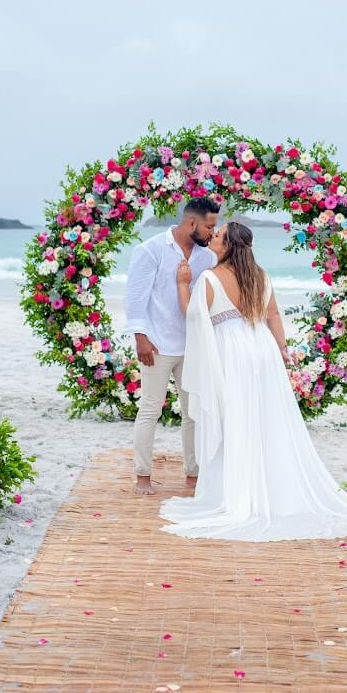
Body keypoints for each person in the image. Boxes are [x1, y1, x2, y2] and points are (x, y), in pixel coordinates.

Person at [159, 221, 347, 540]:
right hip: (262, 348)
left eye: (217, 235)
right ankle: (272, 488)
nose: (212, 237)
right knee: (266, 417)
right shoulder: (260, 276)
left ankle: (236, 492)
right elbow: (272, 315)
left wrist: (182, 283)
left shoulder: (209, 278)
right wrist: (282, 349)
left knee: (234, 417)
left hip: (232, 352)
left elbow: (192, 314)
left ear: (228, 245)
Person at [124, 196, 219, 495]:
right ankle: (142, 475)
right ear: (192, 223)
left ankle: (193, 475)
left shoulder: (207, 257)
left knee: (193, 413)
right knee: (150, 409)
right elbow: (135, 297)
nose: (213, 233)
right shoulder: (150, 250)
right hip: (157, 344)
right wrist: (140, 337)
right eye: (209, 227)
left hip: (192, 346)